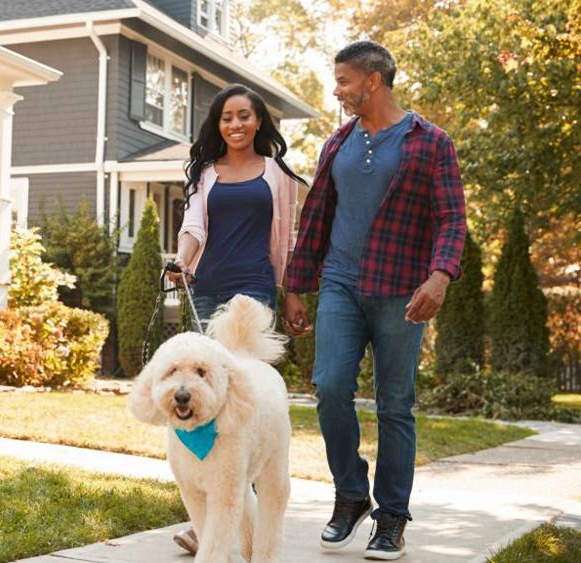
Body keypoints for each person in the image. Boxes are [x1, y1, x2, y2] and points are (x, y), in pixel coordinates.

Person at [283, 41, 467, 560]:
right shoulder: (337, 142)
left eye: (343, 81)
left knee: (394, 405)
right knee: (330, 386)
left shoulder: (430, 142)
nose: (336, 90)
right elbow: (316, 218)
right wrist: (296, 285)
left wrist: (440, 276)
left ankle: (391, 518)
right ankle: (350, 495)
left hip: (402, 290)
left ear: (373, 81)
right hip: (340, 283)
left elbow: (452, 217)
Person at [167, 83, 307, 555]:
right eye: (227, 117)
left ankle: (231, 511)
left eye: (244, 115)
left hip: (256, 288)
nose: (236, 124)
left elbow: (287, 240)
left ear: (260, 120)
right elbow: (192, 227)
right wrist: (181, 260)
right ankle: (212, 517)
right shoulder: (206, 173)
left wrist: (291, 294)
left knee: (245, 401)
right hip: (207, 286)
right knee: (207, 401)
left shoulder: (277, 174)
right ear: (218, 123)